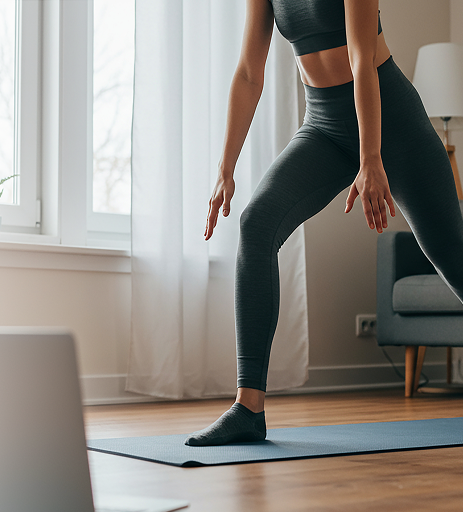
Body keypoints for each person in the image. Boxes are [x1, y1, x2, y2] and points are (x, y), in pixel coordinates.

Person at [185, 0, 463, 447]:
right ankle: (248, 408)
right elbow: (248, 73)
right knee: (256, 224)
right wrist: (225, 168)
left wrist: (371, 158)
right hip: (325, 126)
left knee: (453, 257)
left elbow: (361, 57)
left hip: (393, 123)